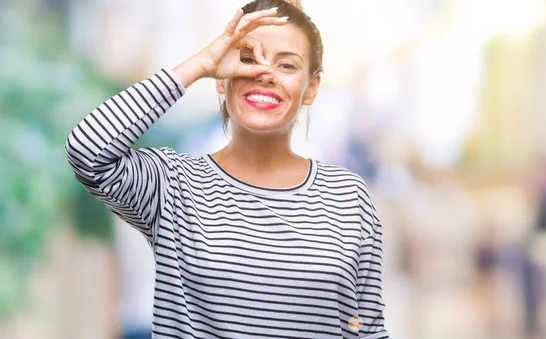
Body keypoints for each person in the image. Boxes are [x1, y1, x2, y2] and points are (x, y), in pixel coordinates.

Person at [64, 0, 389, 337]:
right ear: (222, 77)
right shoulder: (173, 184)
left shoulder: (348, 195)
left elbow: (366, 328)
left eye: (287, 65)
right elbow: (87, 151)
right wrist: (199, 65)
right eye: (247, 60)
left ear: (312, 89)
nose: (264, 73)